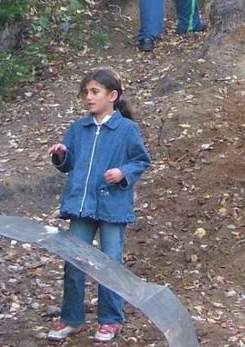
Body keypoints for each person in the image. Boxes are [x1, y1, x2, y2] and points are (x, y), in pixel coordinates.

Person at [47, 68, 151, 343]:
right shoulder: (78, 128)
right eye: (86, 93)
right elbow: (67, 164)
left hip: (112, 207)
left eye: (95, 92)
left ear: (112, 96)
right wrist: (60, 154)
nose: (89, 98)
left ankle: (110, 319)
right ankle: (71, 317)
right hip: (80, 206)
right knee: (73, 261)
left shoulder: (127, 129)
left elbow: (141, 161)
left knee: (109, 263)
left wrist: (123, 173)